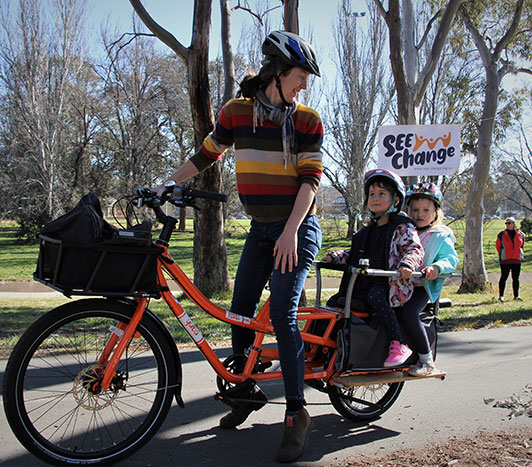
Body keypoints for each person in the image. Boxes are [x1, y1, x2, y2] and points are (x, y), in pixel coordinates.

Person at [153, 31, 323, 463]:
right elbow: (206, 153)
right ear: (279, 72)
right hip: (262, 228)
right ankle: (245, 391)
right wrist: (167, 184)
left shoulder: (306, 120)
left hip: (296, 229)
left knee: (282, 314)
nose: (304, 85)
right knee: (240, 309)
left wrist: (290, 232)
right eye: (301, 76)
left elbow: (309, 183)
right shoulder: (237, 112)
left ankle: (297, 412)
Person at [323, 169, 424, 368]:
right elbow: (355, 253)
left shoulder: (402, 227)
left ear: (396, 200)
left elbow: (414, 249)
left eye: (382, 194)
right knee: (333, 304)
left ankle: (399, 343)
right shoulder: (366, 230)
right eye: (371, 194)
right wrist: (335, 257)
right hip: (362, 283)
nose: (375, 198)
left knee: (375, 296)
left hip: (388, 284)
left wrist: (408, 264)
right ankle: (318, 350)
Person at [402, 182, 459, 376]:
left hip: (421, 287)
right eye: (415, 209)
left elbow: (450, 258)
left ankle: (426, 359)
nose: (419, 214)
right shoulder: (406, 232)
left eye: (426, 210)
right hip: (400, 283)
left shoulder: (440, 235)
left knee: (409, 312)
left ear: (436, 212)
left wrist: (436, 267)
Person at [495, 217, 525, 302]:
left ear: (514, 224)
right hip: (506, 259)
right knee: (504, 277)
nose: (507, 225)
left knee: (516, 278)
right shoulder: (501, 234)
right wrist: (503, 254)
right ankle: (501, 296)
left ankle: (516, 295)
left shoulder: (521, 234)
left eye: (509, 223)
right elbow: (498, 246)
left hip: (516, 259)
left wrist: (520, 255)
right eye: (506, 223)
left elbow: (522, 246)